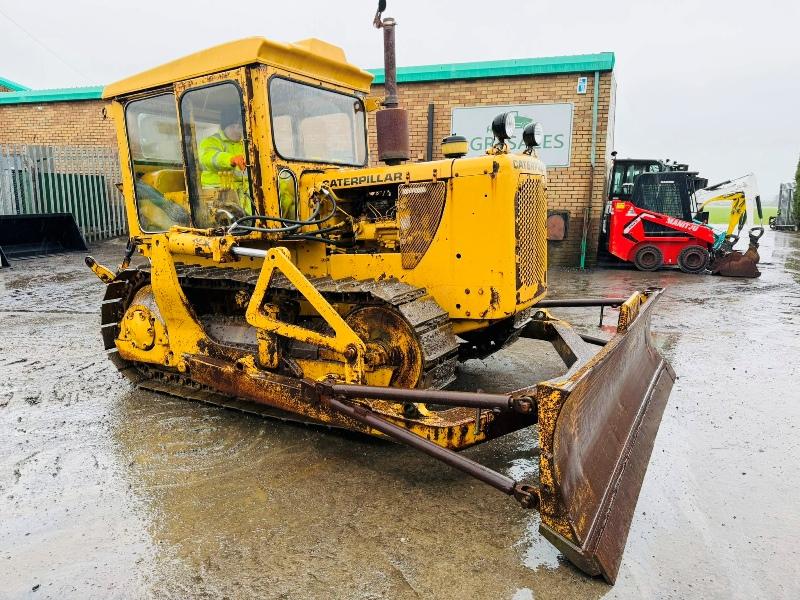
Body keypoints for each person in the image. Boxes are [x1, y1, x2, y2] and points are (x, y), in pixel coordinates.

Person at [198, 106, 252, 214]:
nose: (237, 130)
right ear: (224, 127)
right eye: (232, 126)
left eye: (239, 126)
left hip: (242, 189)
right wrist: (230, 159)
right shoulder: (212, 141)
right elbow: (210, 158)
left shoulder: (245, 144)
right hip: (218, 192)